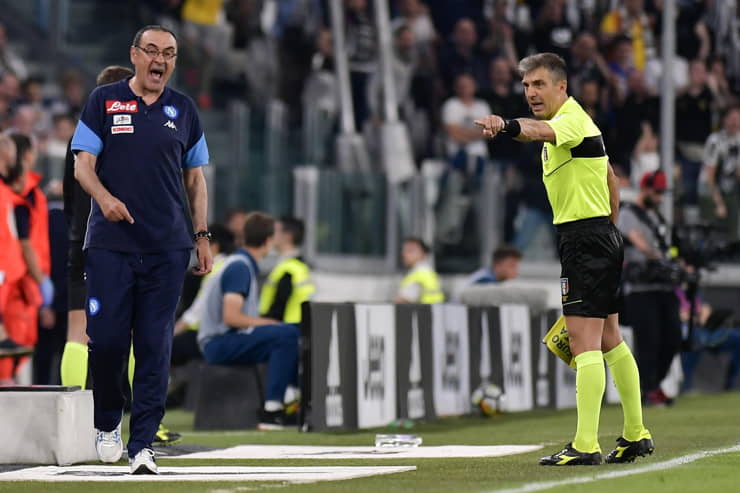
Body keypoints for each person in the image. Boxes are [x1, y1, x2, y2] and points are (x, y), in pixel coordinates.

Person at [475, 52, 653, 466]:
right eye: (526, 86)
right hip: (597, 236)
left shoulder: (570, 120)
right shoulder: (576, 124)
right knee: (610, 338)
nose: (531, 92)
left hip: (585, 238)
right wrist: (609, 229)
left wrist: (505, 124)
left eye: (539, 84)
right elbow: (611, 177)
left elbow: (537, 131)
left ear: (562, 87)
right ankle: (635, 434)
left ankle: (586, 444)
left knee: (582, 342)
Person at [71, 25, 213, 475]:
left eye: (169, 53)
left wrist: (202, 235)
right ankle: (108, 420)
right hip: (111, 246)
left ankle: (144, 443)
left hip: (168, 247)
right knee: (109, 341)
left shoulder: (184, 110)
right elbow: (82, 166)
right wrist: (106, 200)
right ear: (134, 55)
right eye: (151, 51)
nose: (160, 60)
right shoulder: (104, 101)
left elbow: (195, 179)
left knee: (155, 344)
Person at [61, 64, 181, 446]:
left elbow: (68, 198)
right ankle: (128, 419)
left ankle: (75, 423)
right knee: (130, 334)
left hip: (84, 242)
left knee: (80, 334)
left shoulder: (81, 142)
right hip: (113, 243)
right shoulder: (118, 137)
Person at [197, 212, 300, 430]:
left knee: (291, 331)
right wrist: (267, 323)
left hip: (224, 338)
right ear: (269, 241)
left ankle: (290, 396)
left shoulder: (239, 263)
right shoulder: (240, 267)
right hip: (218, 342)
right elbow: (231, 317)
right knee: (286, 333)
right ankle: (273, 409)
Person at [618, 171, 682, 406]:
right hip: (640, 288)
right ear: (644, 189)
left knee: (673, 336)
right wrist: (662, 261)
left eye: (662, 193)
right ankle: (647, 389)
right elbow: (640, 243)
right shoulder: (627, 213)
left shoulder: (657, 217)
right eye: (656, 192)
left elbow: (668, 247)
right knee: (648, 340)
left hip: (663, 285)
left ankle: (655, 384)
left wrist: (678, 265)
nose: (660, 197)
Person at [259, 216, 315, 324]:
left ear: (288, 236)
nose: (269, 236)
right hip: (294, 329)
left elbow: (278, 309)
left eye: (274, 231)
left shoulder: (289, 269)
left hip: (283, 329)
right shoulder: (298, 266)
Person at [394, 237, 444, 304]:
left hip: (422, 312)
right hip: (433, 311)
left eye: (410, 251)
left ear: (423, 254)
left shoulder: (418, 274)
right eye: (403, 251)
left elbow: (404, 299)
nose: (404, 254)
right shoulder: (428, 271)